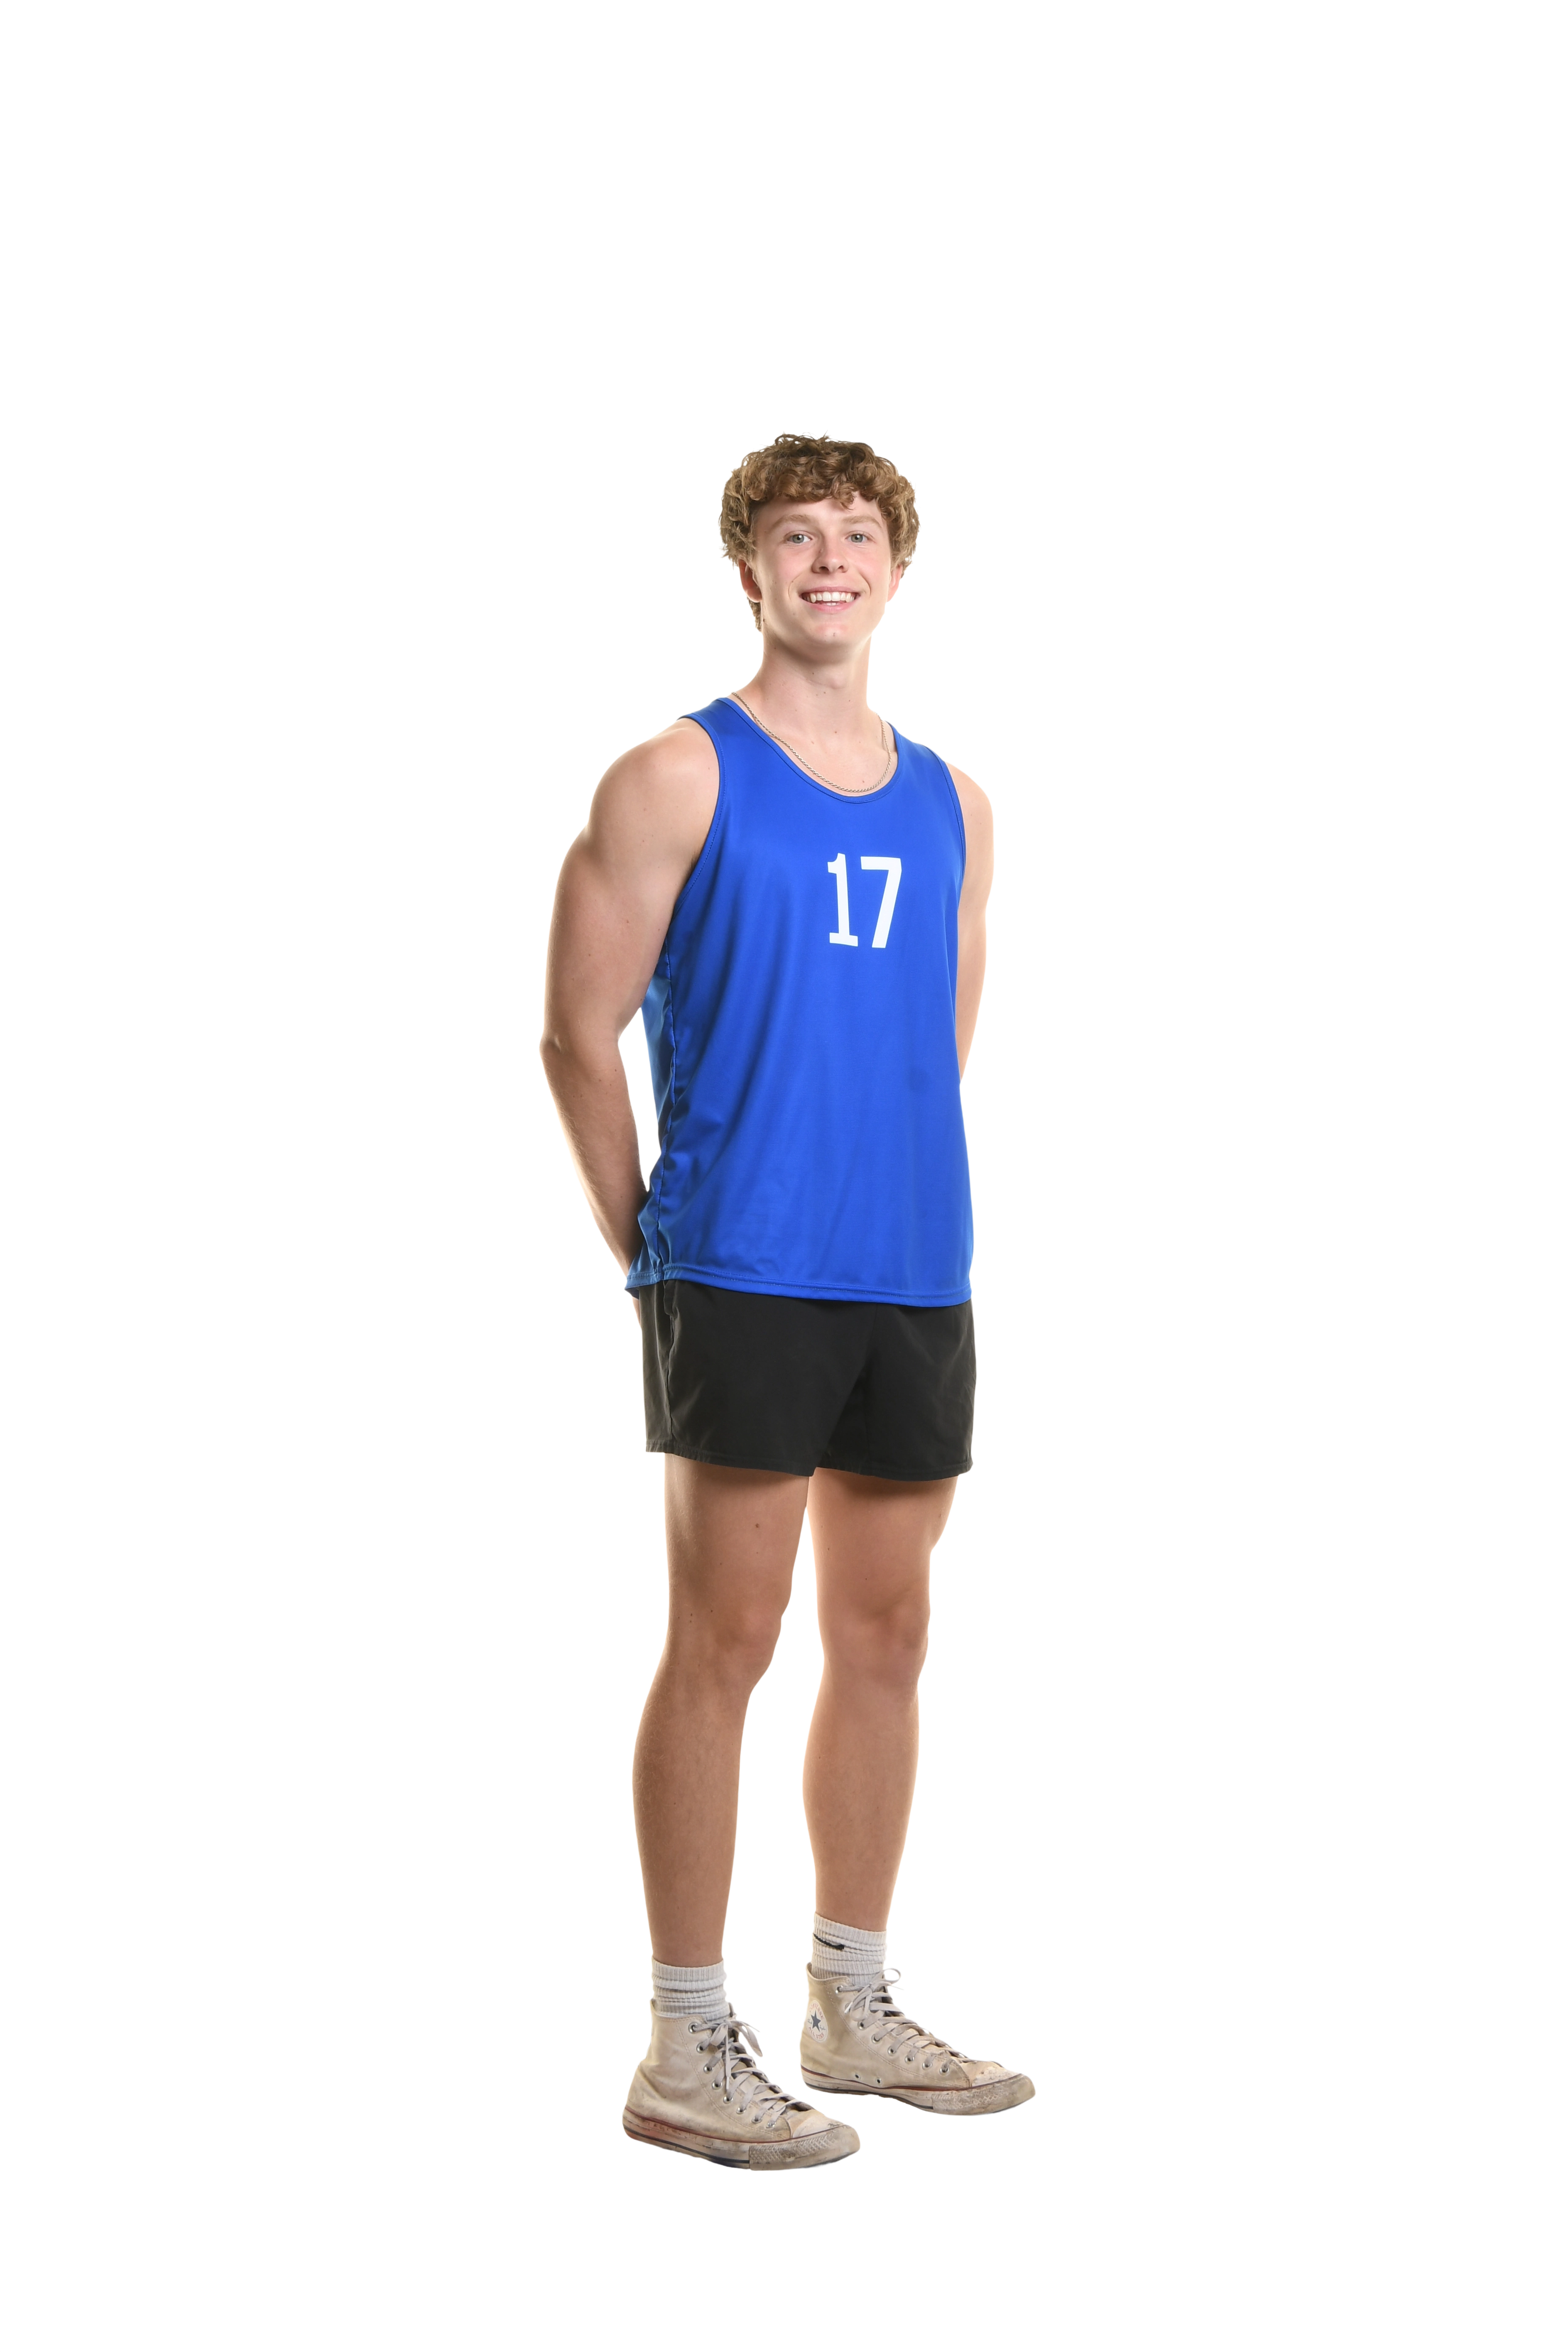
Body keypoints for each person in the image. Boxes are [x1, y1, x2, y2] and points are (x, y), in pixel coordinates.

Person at [540, 431, 1032, 2169]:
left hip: (910, 1266)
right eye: (798, 533)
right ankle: (686, 2042)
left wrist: (872, 1192)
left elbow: (932, 1043)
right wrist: (655, 1251)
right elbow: (573, 1035)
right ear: (746, 567)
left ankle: (850, 2003)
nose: (833, 559)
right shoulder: (676, 775)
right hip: (741, 1267)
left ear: (898, 568)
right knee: (727, 1642)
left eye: (862, 534)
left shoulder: (956, 801)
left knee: (888, 1636)